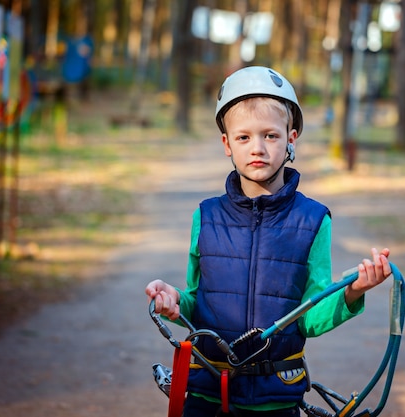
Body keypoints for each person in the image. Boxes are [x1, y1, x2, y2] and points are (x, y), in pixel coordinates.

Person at [145, 66, 392, 416]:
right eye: (243, 138)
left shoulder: (313, 219)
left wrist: (353, 292)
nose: (257, 148)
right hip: (207, 395)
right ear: (226, 144)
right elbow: (197, 301)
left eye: (270, 136)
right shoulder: (206, 215)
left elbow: (308, 317)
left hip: (276, 398)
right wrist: (173, 302)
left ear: (291, 139)